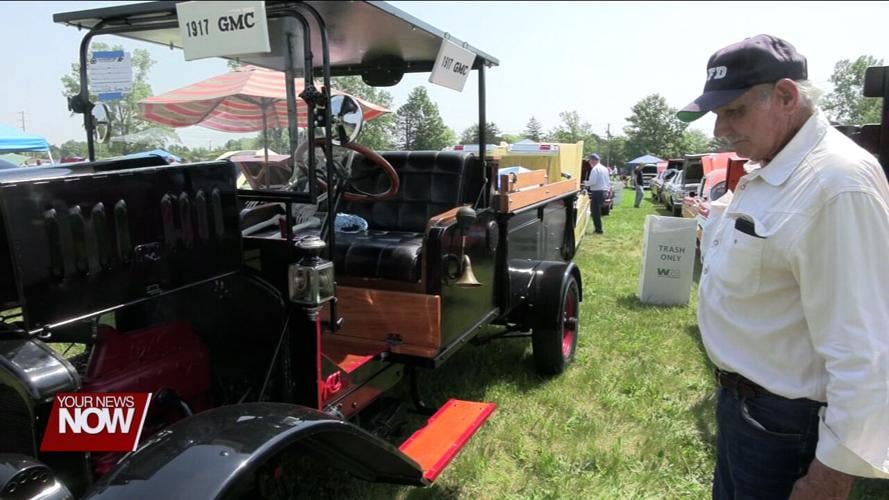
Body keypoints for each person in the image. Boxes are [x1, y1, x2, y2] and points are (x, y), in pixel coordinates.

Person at [678, 34, 889, 499]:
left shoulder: (836, 184)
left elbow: (866, 351)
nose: (718, 131)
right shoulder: (777, 167)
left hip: (784, 427)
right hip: (747, 410)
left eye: (733, 111)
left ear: (787, 96)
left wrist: (828, 476)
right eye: (717, 115)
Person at [584, 153, 610, 234]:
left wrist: (585, 183)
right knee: (598, 211)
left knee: (595, 212)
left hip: (597, 191)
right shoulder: (604, 168)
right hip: (604, 191)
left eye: (590, 161)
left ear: (593, 160)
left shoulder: (595, 169)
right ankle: (599, 228)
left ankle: (598, 230)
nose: (589, 163)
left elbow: (593, 182)